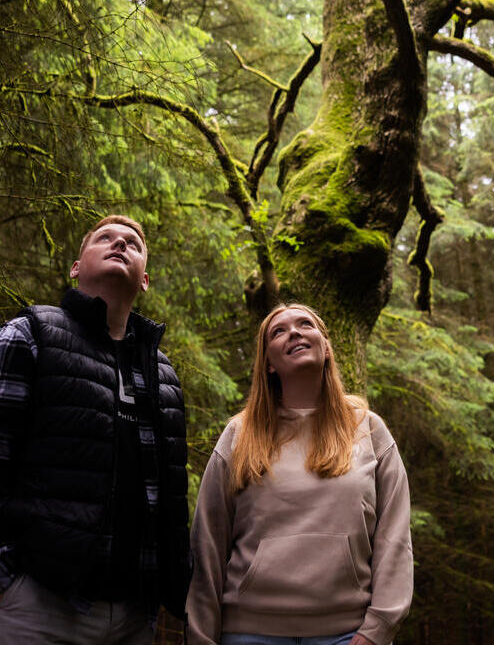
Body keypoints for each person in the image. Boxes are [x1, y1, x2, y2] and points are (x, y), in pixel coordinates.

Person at [0, 214, 191, 644]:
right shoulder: (31, 334)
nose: (120, 244)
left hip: (133, 617)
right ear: (75, 267)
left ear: (144, 281)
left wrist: (172, 592)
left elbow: (170, 502)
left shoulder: (164, 377)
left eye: (133, 243)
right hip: (38, 606)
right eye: (105, 238)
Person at [187, 303, 413, 645]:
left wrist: (377, 629)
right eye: (279, 331)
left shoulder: (368, 428)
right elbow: (207, 545)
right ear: (268, 363)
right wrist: (201, 637)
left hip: (348, 635)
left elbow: (394, 538)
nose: (293, 332)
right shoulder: (240, 433)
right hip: (250, 632)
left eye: (305, 324)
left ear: (326, 348)